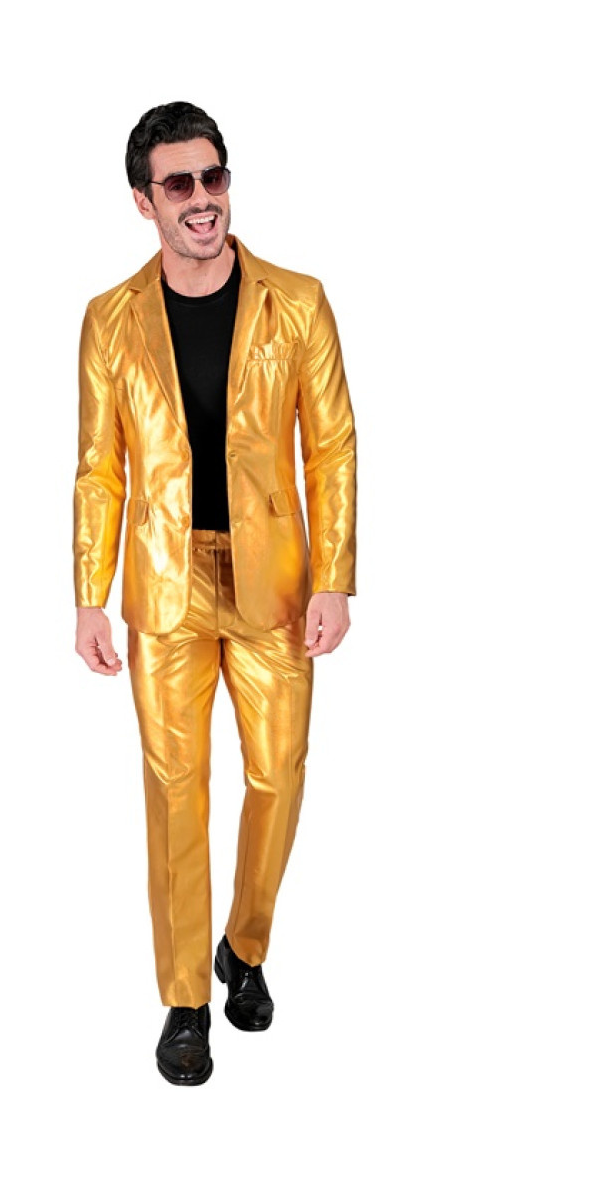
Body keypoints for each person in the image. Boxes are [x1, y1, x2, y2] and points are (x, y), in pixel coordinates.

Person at [72, 102, 358, 1086]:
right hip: (164, 583)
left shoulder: (297, 302)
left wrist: (334, 578)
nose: (203, 200)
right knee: (174, 791)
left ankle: (245, 943)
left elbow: (331, 448)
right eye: (180, 184)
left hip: (274, 581)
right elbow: (99, 467)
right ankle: (186, 999)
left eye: (214, 177)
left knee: (278, 775)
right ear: (143, 201)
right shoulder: (110, 319)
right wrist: (89, 593)